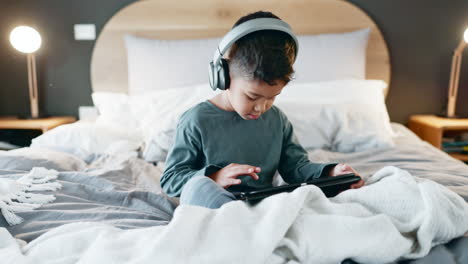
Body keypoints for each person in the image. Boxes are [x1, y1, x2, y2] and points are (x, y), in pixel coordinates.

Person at [160, 11, 365, 209]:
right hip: (214, 204)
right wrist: (214, 177)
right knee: (198, 189)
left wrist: (331, 173)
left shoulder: (277, 120)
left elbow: (296, 168)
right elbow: (170, 179)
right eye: (252, 96)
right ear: (223, 75)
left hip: (263, 203)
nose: (261, 107)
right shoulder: (196, 120)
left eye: (272, 97)